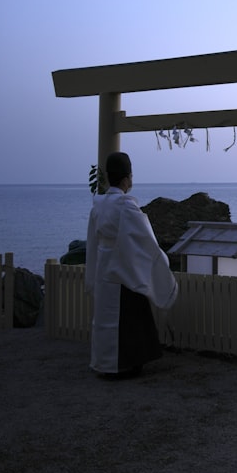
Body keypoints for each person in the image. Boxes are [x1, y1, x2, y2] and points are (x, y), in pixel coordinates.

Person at [85, 152, 178, 377]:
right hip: (124, 269)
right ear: (127, 178)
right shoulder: (126, 207)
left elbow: (93, 240)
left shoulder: (99, 205)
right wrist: (162, 261)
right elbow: (145, 241)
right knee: (129, 319)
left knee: (106, 318)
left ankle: (103, 363)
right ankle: (125, 365)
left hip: (104, 268)